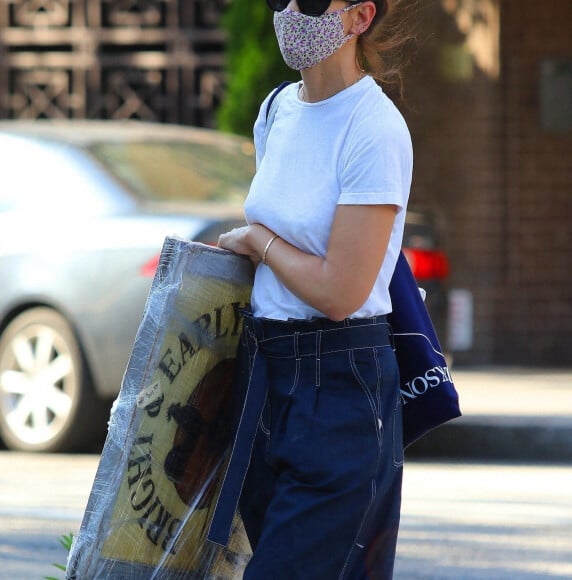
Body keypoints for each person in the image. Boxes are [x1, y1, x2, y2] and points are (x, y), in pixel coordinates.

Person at [214, 1, 413, 578]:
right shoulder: (276, 110)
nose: (292, 13)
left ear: (360, 17)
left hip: (340, 385)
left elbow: (340, 291)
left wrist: (259, 241)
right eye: (281, 0)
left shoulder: (374, 128)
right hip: (265, 376)